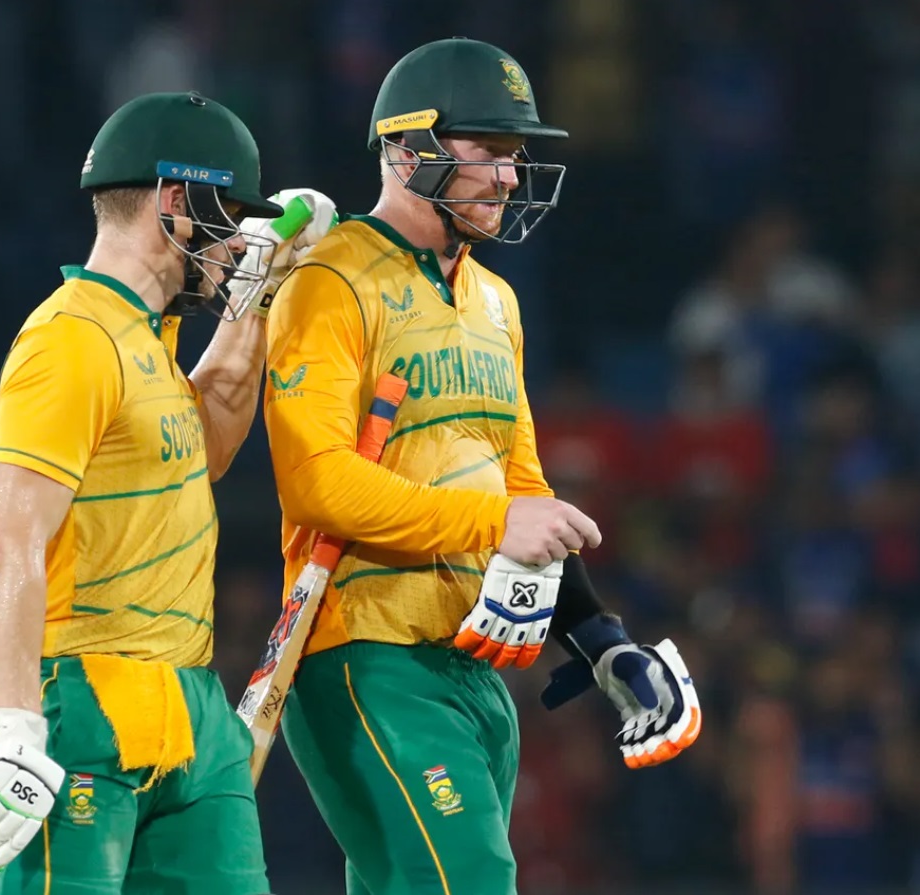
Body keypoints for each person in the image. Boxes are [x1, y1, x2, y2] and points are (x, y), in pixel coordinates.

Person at [262, 38, 701, 895]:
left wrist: (601, 641)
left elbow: (523, 491)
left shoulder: (497, 301)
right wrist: (494, 522)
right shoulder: (329, 278)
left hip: (479, 662)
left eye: (515, 154)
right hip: (368, 652)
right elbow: (314, 482)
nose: (508, 175)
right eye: (489, 151)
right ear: (405, 148)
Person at [0, 90, 334, 895]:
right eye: (229, 219)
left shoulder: (149, 335)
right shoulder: (70, 337)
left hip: (192, 710)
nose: (234, 243)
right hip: (77, 702)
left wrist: (252, 299)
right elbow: (6, 538)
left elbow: (201, 453)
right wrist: (16, 727)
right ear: (177, 202)